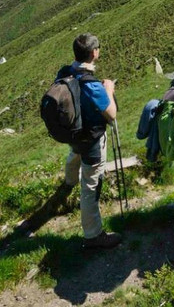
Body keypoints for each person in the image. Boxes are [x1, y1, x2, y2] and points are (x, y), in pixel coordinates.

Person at [59, 33, 122, 250]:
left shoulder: (66, 72)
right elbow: (111, 114)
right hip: (92, 140)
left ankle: (67, 184)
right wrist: (109, 89)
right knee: (91, 186)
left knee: (74, 155)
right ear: (94, 53)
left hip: (74, 135)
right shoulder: (92, 85)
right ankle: (93, 235)